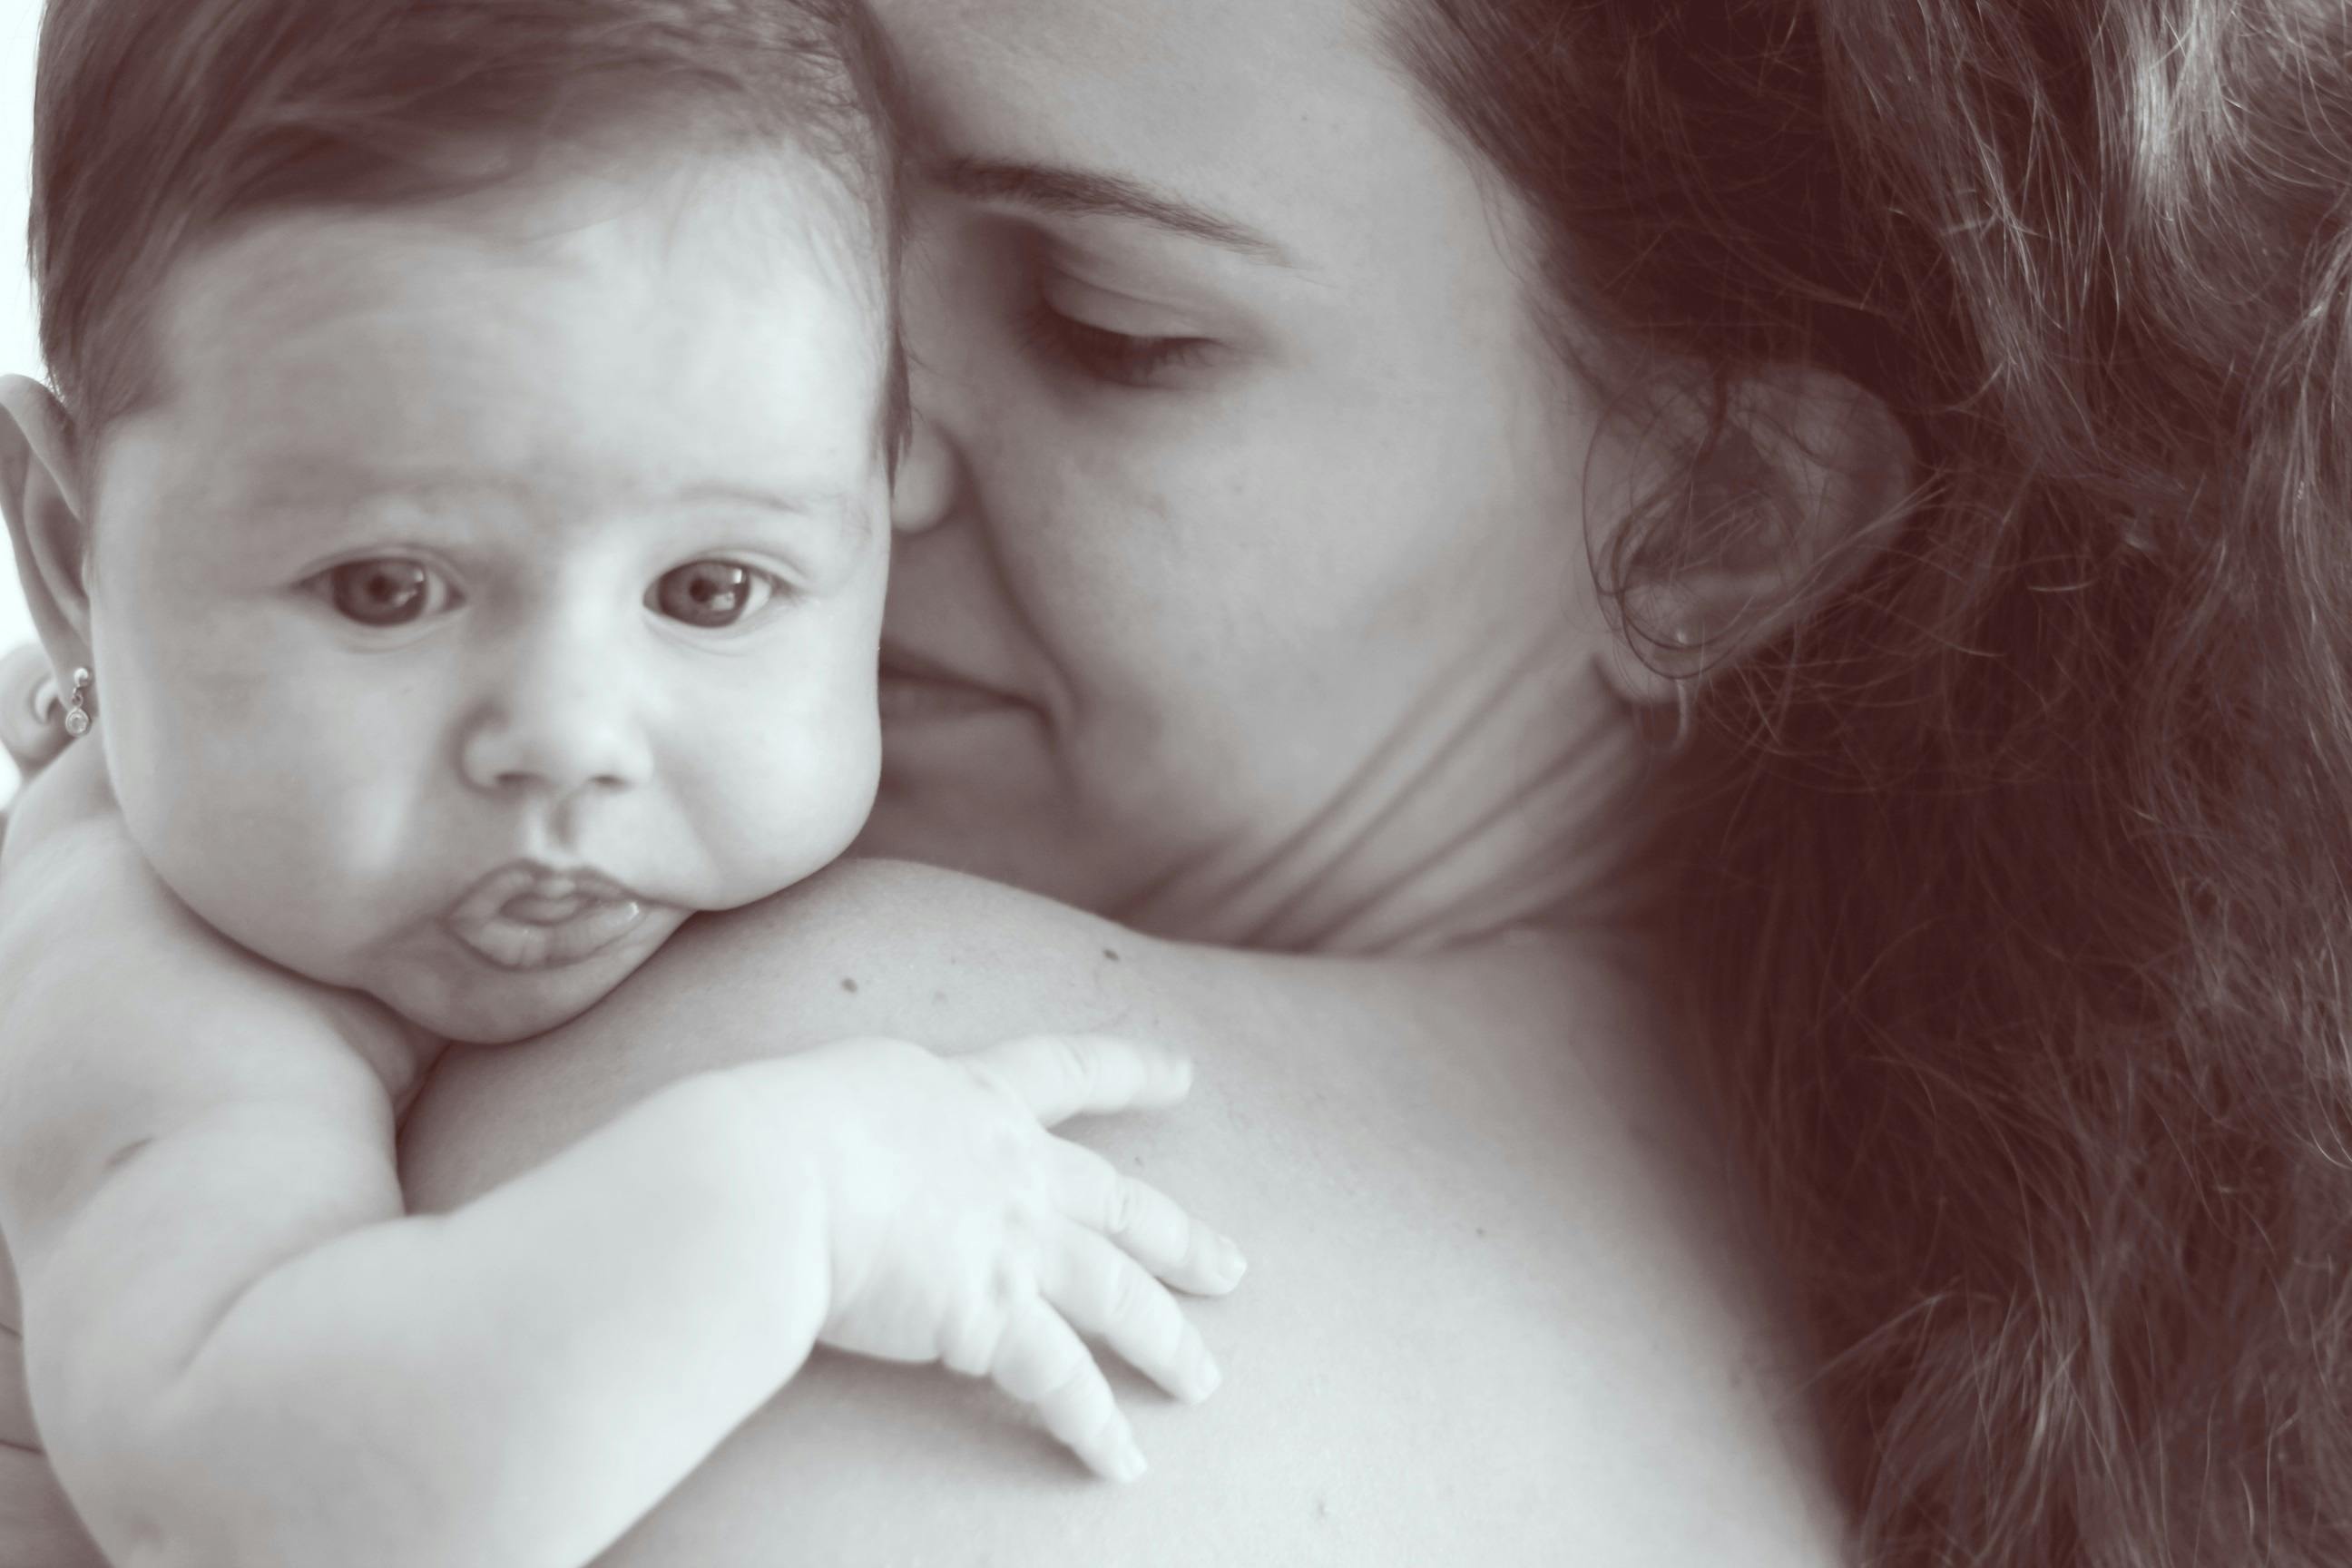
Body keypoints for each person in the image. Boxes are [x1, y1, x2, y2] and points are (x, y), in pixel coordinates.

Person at [8, 0, 2351, 1562]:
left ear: (1718, 521)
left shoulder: (816, 1104)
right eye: (817, 219)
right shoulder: (1983, 1348)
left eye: (1111, 330)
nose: (831, 446)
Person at [0, 3, 1246, 1564]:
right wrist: (797, 1205)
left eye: (712, 591)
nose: (572, 735)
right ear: (70, 552)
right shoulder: (147, 987)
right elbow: (235, 1503)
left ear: (884, 507)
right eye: (387, 588)